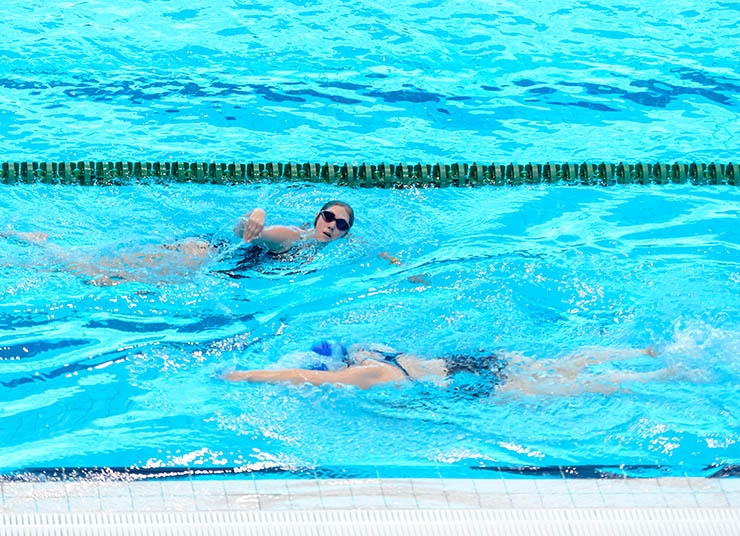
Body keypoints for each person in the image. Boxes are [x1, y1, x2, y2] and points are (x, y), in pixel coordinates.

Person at [1, 200, 355, 286]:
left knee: (101, 272)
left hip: (207, 262)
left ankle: (29, 245)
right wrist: (256, 219)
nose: (332, 225)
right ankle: (27, 243)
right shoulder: (296, 237)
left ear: (344, 234)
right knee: (93, 271)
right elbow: (251, 232)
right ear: (316, 218)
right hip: (200, 256)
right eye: (328, 216)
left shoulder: (320, 248)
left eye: (341, 224)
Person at [223, 341, 675, 395]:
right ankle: (643, 354)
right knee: (557, 364)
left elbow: (304, 377)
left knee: (565, 388)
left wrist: (244, 376)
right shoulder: (375, 351)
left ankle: (660, 377)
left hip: (466, 380)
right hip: (471, 359)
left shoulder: (366, 374)